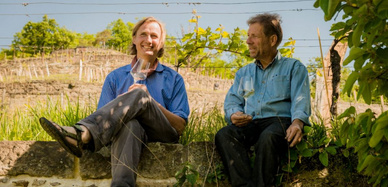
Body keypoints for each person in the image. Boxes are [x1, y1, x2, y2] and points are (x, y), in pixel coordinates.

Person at [39, 17, 190, 187]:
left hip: (162, 135)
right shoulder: (115, 78)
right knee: (130, 124)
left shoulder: (174, 79)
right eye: (143, 34)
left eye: (154, 36)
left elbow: (179, 127)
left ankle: (83, 134)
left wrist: (149, 101)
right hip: (126, 136)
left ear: (161, 42)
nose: (148, 40)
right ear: (134, 39)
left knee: (140, 94)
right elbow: (105, 126)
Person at [215, 13, 311, 187]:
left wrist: (297, 123)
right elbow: (232, 101)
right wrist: (234, 114)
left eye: (254, 36)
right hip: (251, 123)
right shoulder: (244, 73)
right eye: (248, 36)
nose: (248, 41)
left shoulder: (294, 67)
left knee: (268, 137)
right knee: (225, 134)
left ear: (272, 40)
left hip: (279, 123)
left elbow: (300, 99)